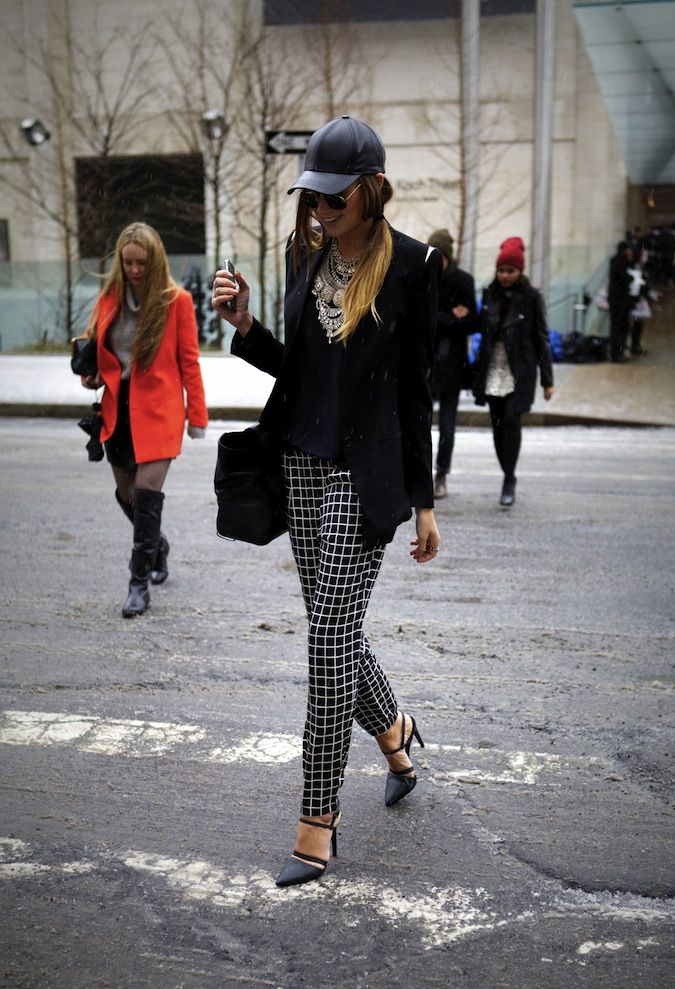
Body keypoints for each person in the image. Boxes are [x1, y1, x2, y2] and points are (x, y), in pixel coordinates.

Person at [212, 115, 441, 888]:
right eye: (312, 198)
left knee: (326, 645)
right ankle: (396, 734)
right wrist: (246, 326)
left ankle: (318, 821)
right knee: (334, 632)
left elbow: (416, 393)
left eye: (334, 199)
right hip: (301, 468)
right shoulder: (306, 257)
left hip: (364, 478)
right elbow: (300, 371)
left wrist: (424, 500)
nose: (320, 211)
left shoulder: (414, 265)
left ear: (372, 190)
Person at [79, 222, 208, 618]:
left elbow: (189, 361)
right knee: (128, 496)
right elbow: (95, 346)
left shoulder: (176, 301)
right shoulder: (109, 299)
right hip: (117, 408)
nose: (134, 269)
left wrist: (197, 415)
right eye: (128, 262)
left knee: (147, 496)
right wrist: (90, 374)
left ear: (156, 261)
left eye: (142, 263)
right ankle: (157, 546)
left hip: (160, 410)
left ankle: (138, 586)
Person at [472, 237, 554, 508]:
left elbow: (542, 339)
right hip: (492, 369)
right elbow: (481, 328)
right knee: (497, 426)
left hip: (519, 370)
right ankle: (506, 471)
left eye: (510, 270)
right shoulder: (489, 294)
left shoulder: (532, 298)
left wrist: (548, 380)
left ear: (520, 271)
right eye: (501, 270)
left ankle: (509, 478)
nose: (505, 275)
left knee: (511, 421)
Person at [427, 228, 478, 500]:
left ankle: (441, 474)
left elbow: (471, 323)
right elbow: (415, 319)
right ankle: (420, 474)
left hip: (451, 365)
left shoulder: (463, 281)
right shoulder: (422, 276)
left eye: (441, 255)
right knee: (419, 425)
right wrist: (450, 317)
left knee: (447, 426)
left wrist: (436, 317)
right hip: (425, 363)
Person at [607, 240, 636, 362]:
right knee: (619, 327)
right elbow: (625, 278)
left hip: (617, 299)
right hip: (619, 300)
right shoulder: (620, 262)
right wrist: (631, 277)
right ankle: (617, 354)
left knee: (618, 327)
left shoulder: (617, 260)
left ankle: (618, 352)